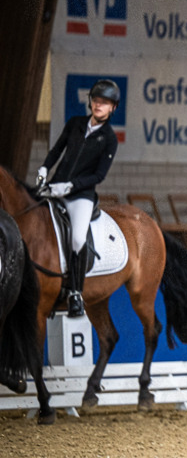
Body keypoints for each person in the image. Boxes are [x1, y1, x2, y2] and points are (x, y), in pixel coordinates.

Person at [37, 79, 120, 316]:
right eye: (95, 100)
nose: (98, 105)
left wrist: (71, 186)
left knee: (77, 239)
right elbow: (56, 151)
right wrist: (44, 168)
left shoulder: (109, 139)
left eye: (104, 103)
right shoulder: (74, 124)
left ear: (113, 108)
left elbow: (99, 175)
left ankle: (75, 292)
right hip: (55, 187)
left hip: (80, 196)